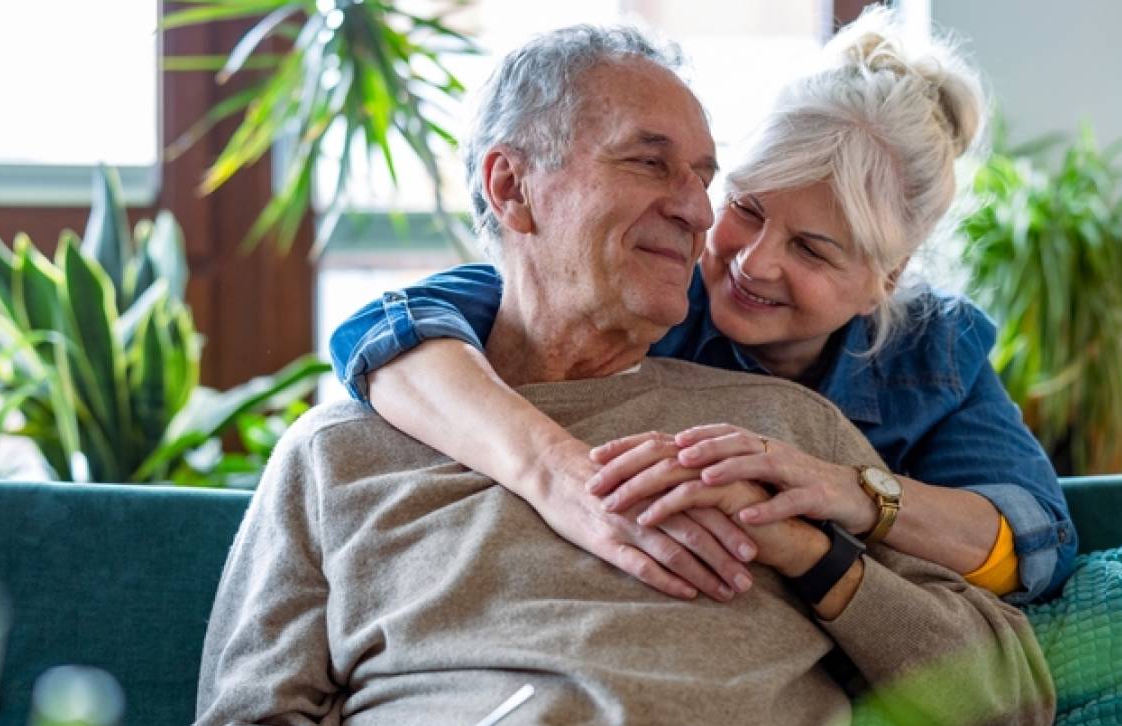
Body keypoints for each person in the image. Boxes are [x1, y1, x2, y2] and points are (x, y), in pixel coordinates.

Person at [169, 23, 1053, 726]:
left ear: (881, 282)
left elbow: (1014, 682)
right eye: (650, 162)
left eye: (703, 177)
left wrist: (817, 549)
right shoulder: (347, 448)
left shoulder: (791, 437)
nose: (704, 218)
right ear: (511, 188)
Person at [329, 7, 1078, 611]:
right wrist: (557, 474)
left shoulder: (933, 351)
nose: (754, 262)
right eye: (746, 210)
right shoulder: (651, 288)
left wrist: (849, 490)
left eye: (813, 250)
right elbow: (387, 333)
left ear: (887, 276)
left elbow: (1035, 542)